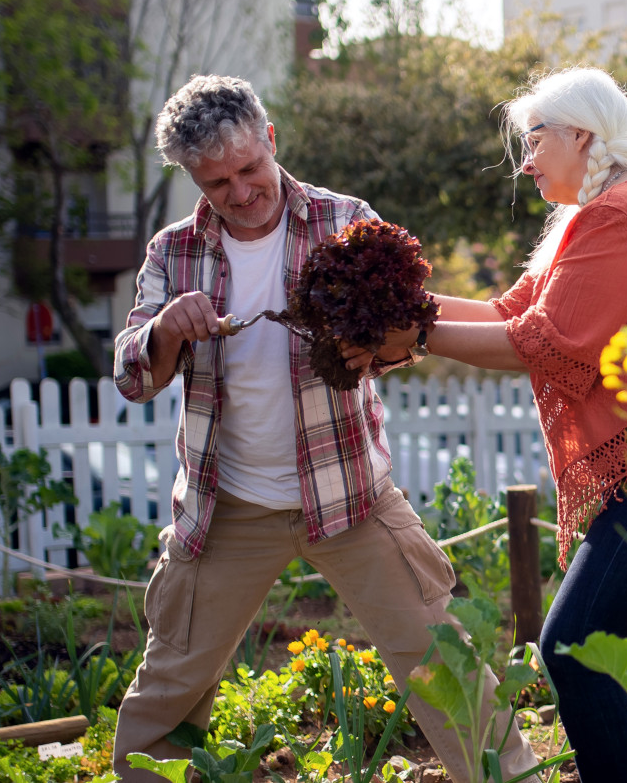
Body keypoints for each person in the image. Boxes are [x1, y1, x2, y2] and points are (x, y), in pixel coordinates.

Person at [109, 75, 534, 782]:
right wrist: (163, 333)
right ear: (193, 178)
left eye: (249, 169)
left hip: (350, 498)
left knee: (442, 663)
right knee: (170, 685)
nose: (240, 192)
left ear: (270, 140)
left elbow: (404, 343)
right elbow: (132, 375)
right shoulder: (173, 250)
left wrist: (375, 337)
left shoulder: (347, 221)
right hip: (228, 509)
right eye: (218, 183)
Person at [358, 67, 627, 783]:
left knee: (571, 646)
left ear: (581, 135)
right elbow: (511, 315)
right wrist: (401, 299)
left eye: (535, 140)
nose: (527, 161)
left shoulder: (621, 211)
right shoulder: (591, 216)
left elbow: (549, 343)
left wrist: (410, 330)